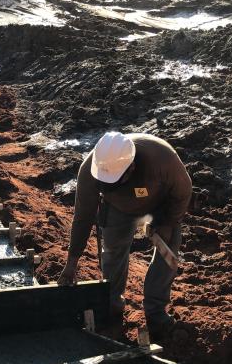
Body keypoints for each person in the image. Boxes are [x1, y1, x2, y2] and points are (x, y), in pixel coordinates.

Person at [57, 132, 192, 340]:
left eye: (113, 183)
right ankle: (111, 305)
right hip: (119, 208)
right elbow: (83, 218)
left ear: (131, 168)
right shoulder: (91, 170)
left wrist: (167, 223)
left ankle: (156, 313)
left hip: (161, 204)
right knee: (112, 251)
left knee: (167, 255)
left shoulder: (162, 159)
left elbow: (183, 192)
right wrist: (72, 262)